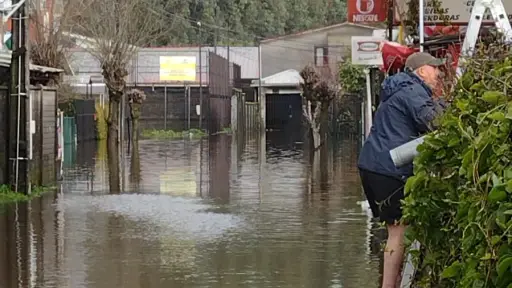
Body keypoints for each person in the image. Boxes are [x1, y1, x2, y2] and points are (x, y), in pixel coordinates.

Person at [358, 52, 447, 288]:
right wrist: (452, 106)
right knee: (397, 231)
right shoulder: (412, 91)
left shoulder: (398, 90)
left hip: (373, 166)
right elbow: (435, 121)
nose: (439, 73)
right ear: (421, 71)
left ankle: (392, 282)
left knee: (395, 230)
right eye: (434, 67)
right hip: (390, 168)